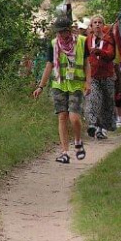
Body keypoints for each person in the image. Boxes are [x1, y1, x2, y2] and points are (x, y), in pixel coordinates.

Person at [33, 15, 91, 164]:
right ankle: (65, 152)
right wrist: (41, 86)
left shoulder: (82, 42)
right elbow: (49, 65)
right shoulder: (53, 44)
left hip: (77, 84)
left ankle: (78, 141)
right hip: (59, 84)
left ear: (69, 30)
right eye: (57, 32)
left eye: (62, 31)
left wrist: (88, 83)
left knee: (75, 118)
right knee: (62, 116)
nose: (59, 35)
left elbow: (86, 64)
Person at [86, 14, 116, 139]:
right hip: (93, 75)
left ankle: (101, 129)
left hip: (107, 75)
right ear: (91, 26)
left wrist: (100, 52)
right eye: (95, 22)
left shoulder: (108, 38)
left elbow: (111, 55)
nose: (97, 24)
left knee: (107, 102)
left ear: (103, 25)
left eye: (100, 22)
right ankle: (92, 124)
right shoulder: (87, 40)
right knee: (94, 99)